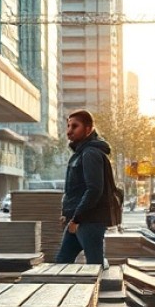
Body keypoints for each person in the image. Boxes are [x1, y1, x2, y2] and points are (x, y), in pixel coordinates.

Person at [55, 109, 117, 267]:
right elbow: (76, 189)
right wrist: (67, 213)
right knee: (62, 262)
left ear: (88, 129)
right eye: (68, 126)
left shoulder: (90, 154)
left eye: (74, 126)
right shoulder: (80, 153)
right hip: (78, 220)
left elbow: (94, 189)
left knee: (95, 266)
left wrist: (76, 217)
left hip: (89, 221)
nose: (69, 131)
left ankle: (100, 291)